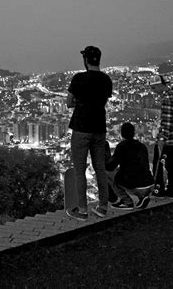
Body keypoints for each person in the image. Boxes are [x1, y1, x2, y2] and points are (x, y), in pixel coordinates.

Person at [65, 46, 113, 221]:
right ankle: (102, 207)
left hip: (81, 128)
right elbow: (103, 100)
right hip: (99, 128)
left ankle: (83, 210)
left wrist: (81, 101)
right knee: (100, 168)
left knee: (79, 170)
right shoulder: (106, 80)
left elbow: (69, 102)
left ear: (85, 60)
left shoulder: (79, 78)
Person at [105, 123, 155, 210]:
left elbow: (110, 167)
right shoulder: (142, 146)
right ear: (134, 133)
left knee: (108, 174)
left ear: (121, 134)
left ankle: (127, 202)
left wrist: (105, 159)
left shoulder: (122, 146)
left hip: (135, 186)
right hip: (149, 183)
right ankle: (142, 197)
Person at [150, 76, 173, 198]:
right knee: (171, 164)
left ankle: (159, 190)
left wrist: (161, 138)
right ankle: (171, 190)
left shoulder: (166, 98)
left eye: (154, 87)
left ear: (160, 85)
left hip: (169, 139)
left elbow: (167, 121)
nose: (153, 90)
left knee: (158, 163)